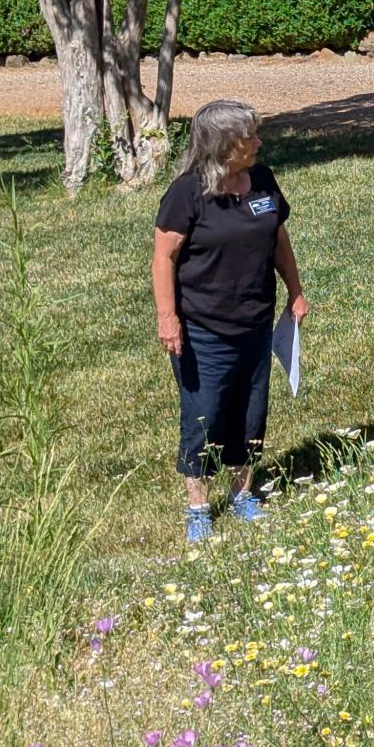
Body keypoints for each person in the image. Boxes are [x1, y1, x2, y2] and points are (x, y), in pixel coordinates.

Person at [153, 99, 309, 544]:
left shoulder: (262, 180)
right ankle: (198, 508)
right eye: (250, 136)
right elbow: (164, 257)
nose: (259, 142)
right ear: (223, 145)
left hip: (255, 321)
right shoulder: (187, 193)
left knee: (250, 412)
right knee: (204, 415)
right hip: (203, 327)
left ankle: (242, 494)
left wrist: (295, 290)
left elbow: (278, 238)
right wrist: (168, 318)